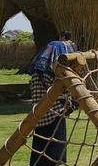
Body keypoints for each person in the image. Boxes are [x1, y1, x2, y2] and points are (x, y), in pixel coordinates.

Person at [29, 37, 76, 165]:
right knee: (51, 153)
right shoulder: (50, 72)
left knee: (41, 149)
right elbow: (57, 89)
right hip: (53, 112)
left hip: (41, 114)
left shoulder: (40, 68)